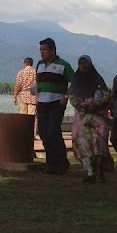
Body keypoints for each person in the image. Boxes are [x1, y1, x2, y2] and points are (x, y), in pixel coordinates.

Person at [70, 55, 112, 183]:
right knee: (83, 144)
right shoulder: (76, 81)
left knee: (97, 143)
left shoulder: (97, 79)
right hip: (81, 117)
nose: (83, 65)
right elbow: (72, 96)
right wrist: (83, 106)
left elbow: (106, 95)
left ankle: (99, 170)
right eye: (80, 63)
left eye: (85, 63)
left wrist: (95, 104)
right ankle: (90, 172)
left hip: (97, 117)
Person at [35, 38, 74, 174]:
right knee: (44, 133)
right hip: (41, 103)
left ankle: (62, 162)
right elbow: (38, 82)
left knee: (53, 131)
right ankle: (52, 163)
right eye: (40, 50)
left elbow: (74, 83)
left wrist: (66, 96)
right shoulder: (39, 65)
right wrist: (35, 91)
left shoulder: (63, 65)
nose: (42, 52)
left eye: (44, 49)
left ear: (52, 50)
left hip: (56, 103)